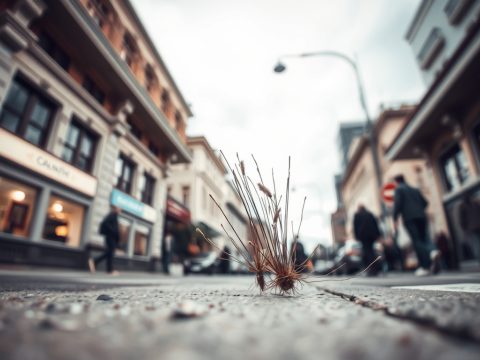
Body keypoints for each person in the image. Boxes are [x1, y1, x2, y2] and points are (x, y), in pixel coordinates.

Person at [392, 175, 440, 276]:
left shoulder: (399, 189)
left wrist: (395, 218)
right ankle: (432, 251)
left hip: (410, 218)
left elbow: (398, 204)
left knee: (417, 241)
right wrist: (419, 210)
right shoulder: (415, 189)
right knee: (425, 238)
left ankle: (425, 267)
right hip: (422, 216)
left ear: (396, 182)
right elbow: (425, 202)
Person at [89, 206, 121, 275]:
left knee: (109, 253)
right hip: (110, 237)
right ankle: (107, 269)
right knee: (110, 253)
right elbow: (105, 224)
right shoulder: (112, 215)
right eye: (119, 209)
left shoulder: (114, 216)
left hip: (111, 238)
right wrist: (113, 232)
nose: (120, 210)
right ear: (115, 209)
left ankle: (99, 264)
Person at [353, 204, 381, 276]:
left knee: (366, 252)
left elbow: (355, 227)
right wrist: (378, 235)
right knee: (371, 251)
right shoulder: (369, 214)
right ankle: (374, 269)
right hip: (371, 236)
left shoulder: (357, 215)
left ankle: (370, 269)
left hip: (363, 236)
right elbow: (375, 224)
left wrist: (356, 236)